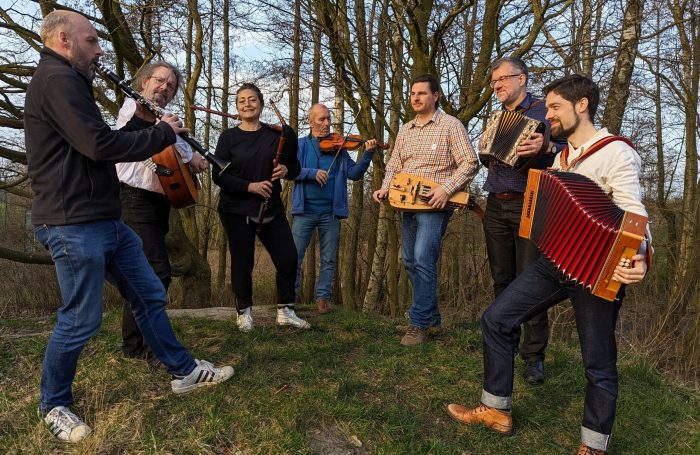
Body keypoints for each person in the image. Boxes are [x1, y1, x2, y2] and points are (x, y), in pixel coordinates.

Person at [24, 11, 233, 443]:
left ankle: (182, 371)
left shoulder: (70, 82)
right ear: (64, 40)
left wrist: (146, 124)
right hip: (71, 221)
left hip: (104, 216)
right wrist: (160, 134)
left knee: (149, 292)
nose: (100, 50)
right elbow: (100, 145)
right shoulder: (57, 81)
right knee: (81, 318)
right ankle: (54, 403)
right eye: (92, 41)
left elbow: (93, 139)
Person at [447, 74, 651, 455]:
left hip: (597, 271)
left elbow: (635, 214)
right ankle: (496, 409)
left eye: (556, 107)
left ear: (582, 105)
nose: (549, 115)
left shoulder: (616, 152)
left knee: (598, 362)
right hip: (556, 261)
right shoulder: (562, 157)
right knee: (497, 318)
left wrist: (639, 257)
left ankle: (593, 445)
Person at [372, 73, 479, 346]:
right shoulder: (405, 130)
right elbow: (395, 166)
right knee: (408, 259)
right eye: (412, 94)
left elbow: (469, 162)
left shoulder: (450, 126)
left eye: (421, 93)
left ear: (435, 96)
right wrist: (385, 188)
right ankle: (432, 318)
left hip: (435, 205)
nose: (415, 98)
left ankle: (418, 323)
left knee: (422, 258)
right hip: (406, 201)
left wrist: (445, 189)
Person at [480, 57, 567, 384]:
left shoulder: (545, 111)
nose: (497, 85)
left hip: (531, 202)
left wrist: (546, 145)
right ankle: (503, 341)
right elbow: (487, 156)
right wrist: (484, 147)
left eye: (502, 79)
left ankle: (534, 356)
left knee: (531, 279)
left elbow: (567, 147)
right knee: (501, 277)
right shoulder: (497, 116)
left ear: (522, 79)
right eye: (494, 82)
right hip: (496, 203)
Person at [116, 62, 208, 364]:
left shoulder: (163, 119)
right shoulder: (134, 108)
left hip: (158, 203)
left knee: (146, 273)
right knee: (154, 273)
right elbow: (159, 141)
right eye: (160, 81)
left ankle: (134, 343)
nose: (164, 88)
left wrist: (194, 157)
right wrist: (189, 154)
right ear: (144, 82)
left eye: (171, 85)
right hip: (133, 200)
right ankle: (140, 345)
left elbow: (177, 146)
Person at [212, 83, 309, 332]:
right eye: (242, 100)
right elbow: (219, 176)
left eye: (252, 100)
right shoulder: (228, 138)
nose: (247, 104)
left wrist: (287, 169)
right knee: (243, 261)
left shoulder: (275, 137)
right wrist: (250, 187)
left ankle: (286, 311)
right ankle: (244, 312)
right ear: (236, 106)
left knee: (288, 258)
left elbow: (294, 167)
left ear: (261, 104)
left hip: (271, 207)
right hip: (236, 207)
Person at [291, 104, 376, 313]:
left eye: (328, 119)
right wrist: (311, 173)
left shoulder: (339, 148)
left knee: (328, 258)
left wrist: (367, 154)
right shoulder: (300, 145)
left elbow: (354, 174)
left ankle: (323, 300)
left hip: (330, 212)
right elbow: (290, 170)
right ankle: (289, 299)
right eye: (321, 119)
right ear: (310, 122)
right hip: (304, 211)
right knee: (294, 257)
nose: (327, 123)